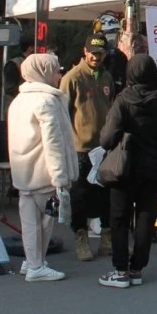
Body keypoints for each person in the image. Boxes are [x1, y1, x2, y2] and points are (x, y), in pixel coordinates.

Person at [97, 55, 157, 289]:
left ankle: (120, 270)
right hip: (155, 169)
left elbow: (106, 138)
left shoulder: (123, 100)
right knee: (145, 218)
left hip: (125, 168)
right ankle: (136, 268)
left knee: (119, 219)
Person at [7, 53, 77, 282]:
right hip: (45, 174)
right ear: (45, 72)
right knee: (46, 222)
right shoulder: (47, 102)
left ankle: (32, 261)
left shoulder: (18, 100)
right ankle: (37, 264)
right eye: (57, 70)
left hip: (22, 173)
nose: (59, 75)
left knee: (28, 222)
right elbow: (53, 142)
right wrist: (60, 178)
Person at [61, 33, 115, 261]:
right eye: (93, 52)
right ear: (85, 52)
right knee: (80, 195)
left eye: (100, 53)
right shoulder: (72, 77)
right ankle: (81, 238)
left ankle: (106, 237)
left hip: (103, 147)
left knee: (107, 193)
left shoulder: (107, 77)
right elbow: (62, 114)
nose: (96, 57)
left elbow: (112, 107)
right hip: (80, 148)